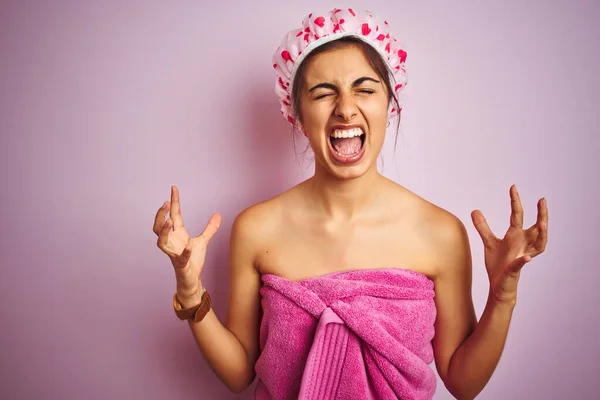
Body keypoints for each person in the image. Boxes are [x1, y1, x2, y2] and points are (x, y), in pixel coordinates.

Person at [152, 8, 549, 400]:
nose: (345, 107)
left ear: (389, 106)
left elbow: (464, 384)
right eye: (323, 93)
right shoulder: (257, 229)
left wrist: (502, 296)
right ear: (298, 116)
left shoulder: (440, 233)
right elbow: (239, 374)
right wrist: (190, 291)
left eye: (365, 89)